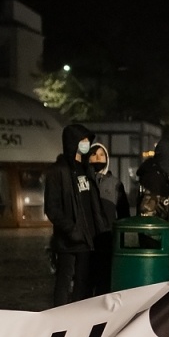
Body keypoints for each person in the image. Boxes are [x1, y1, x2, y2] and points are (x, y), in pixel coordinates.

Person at [44, 123, 108, 306]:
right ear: (73, 142)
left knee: (84, 281)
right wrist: (71, 229)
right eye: (83, 140)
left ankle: (79, 316)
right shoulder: (58, 171)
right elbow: (52, 208)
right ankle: (59, 316)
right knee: (64, 281)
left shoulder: (87, 169)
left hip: (89, 238)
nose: (86, 144)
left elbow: (92, 202)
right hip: (69, 240)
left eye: (88, 140)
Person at [86, 143, 129, 294]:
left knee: (104, 280)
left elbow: (124, 213)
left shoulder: (115, 183)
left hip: (107, 238)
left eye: (101, 155)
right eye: (94, 155)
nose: (98, 158)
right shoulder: (83, 181)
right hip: (87, 238)